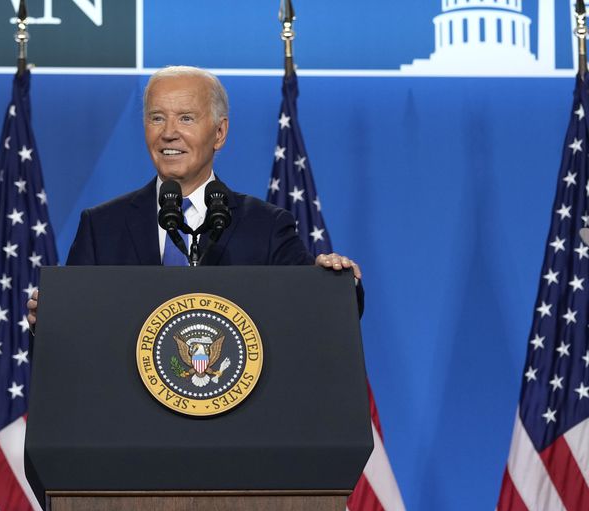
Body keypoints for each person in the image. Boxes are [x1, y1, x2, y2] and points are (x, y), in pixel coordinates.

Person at [27, 66, 361, 327]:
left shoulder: (267, 227)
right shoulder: (101, 227)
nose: (168, 132)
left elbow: (316, 315)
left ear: (219, 132)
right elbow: (73, 340)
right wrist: (50, 323)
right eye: (157, 118)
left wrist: (333, 283)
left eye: (186, 118)